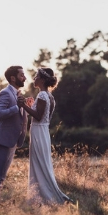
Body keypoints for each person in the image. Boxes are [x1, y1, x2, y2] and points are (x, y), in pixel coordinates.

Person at [18, 68, 73, 205]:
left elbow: (38, 116)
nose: (34, 78)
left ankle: (47, 196)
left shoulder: (42, 95)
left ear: (42, 79)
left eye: (36, 76)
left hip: (38, 132)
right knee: (42, 163)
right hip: (43, 131)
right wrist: (31, 106)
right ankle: (41, 195)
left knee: (39, 163)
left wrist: (24, 105)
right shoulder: (49, 96)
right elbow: (43, 117)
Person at [0, 65, 28, 200]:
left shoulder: (17, 94)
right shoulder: (5, 93)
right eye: (22, 75)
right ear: (13, 78)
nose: (25, 77)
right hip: (3, 139)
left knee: (2, 174)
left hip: (12, 140)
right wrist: (17, 107)